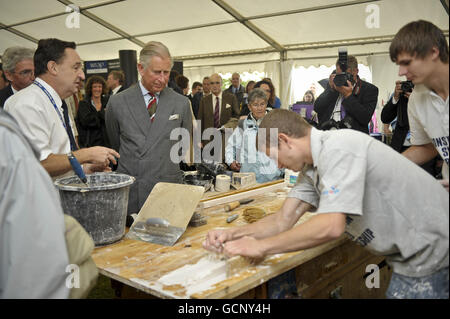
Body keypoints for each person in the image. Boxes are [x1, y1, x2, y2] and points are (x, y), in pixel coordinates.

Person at [204, 109, 449, 299]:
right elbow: (282, 220)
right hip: (416, 254)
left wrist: (262, 247)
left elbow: (330, 225)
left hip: (433, 250)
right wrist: (233, 234)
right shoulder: (311, 168)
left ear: (284, 140)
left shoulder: (339, 147)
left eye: (274, 156)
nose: (277, 166)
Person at [0, 108, 98, 298]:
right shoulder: (8, 141)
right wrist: (83, 155)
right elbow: (38, 267)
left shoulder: (61, 105)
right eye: (76, 74)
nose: (80, 76)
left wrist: (83, 167)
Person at [4, 38, 119, 179]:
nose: (82, 75)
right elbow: (37, 164)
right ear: (53, 67)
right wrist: (86, 154)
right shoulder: (27, 104)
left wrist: (84, 168)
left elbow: (60, 153)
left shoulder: (55, 101)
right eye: (75, 67)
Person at [105, 41, 192, 224]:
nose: (162, 79)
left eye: (166, 72)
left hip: (168, 191)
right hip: (134, 193)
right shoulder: (118, 102)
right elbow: (114, 144)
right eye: (156, 72)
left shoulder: (181, 103)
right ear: (141, 68)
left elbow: (182, 147)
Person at [389, 20, 449, 188]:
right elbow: (427, 146)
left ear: (433, 52)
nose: (401, 72)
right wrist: (388, 166)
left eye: (406, 63)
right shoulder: (416, 98)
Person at [225, 88, 283, 183]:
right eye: (255, 105)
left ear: (266, 104)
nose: (259, 108)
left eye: (262, 104)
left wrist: (281, 170)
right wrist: (231, 161)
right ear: (249, 107)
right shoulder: (243, 124)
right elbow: (231, 145)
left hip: (271, 179)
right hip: (247, 179)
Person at [314, 55, 379, 134]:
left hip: (353, 139)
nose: (342, 78)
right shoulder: (334, 86)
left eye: (345, 74)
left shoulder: (369, 89)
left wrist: (348, 96)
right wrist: (330, 90)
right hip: (329, 135)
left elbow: (364, 118)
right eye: (339, 74)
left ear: (355, 71)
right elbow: (317, 108)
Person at [197, 73, 240, 162]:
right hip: (208, 140)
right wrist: (198, 140)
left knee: (225, 167)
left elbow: (236, 117)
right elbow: (199, 120)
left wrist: (228, 127)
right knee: (210, 168)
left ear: (221, 84)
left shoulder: (231, 98)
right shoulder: (204, 101)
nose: (214, 86)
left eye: (217, 83)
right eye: (212, 83)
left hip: (226, 139)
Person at [76, 75, 110, 148]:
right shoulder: (84, 104)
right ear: (90, 88)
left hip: (106, 143)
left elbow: (110, 120)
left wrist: (96, 116)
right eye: (95, 87)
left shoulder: (107, 102)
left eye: (99, 86)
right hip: (90, 144)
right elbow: (86, 122)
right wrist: (102, 113)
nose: (97, 89)